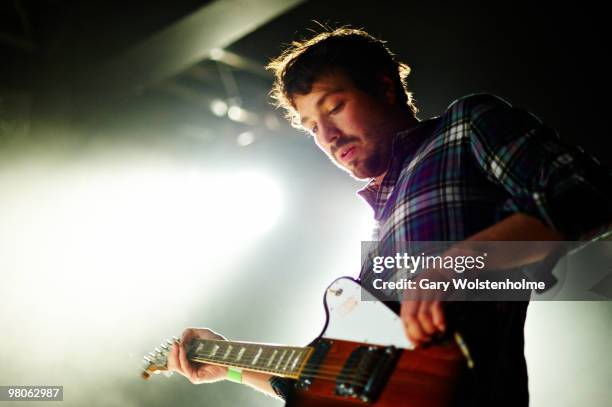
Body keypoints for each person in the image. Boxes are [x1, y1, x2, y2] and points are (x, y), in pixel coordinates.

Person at [167, 28, 612, 405]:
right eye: (311, 127)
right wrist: (229, 362)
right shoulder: (382, 223)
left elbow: (584, 193)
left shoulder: (465, 123)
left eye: (334, 107)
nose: (328, 136)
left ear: (384, 87)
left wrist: (452, 263)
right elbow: (341, 378)